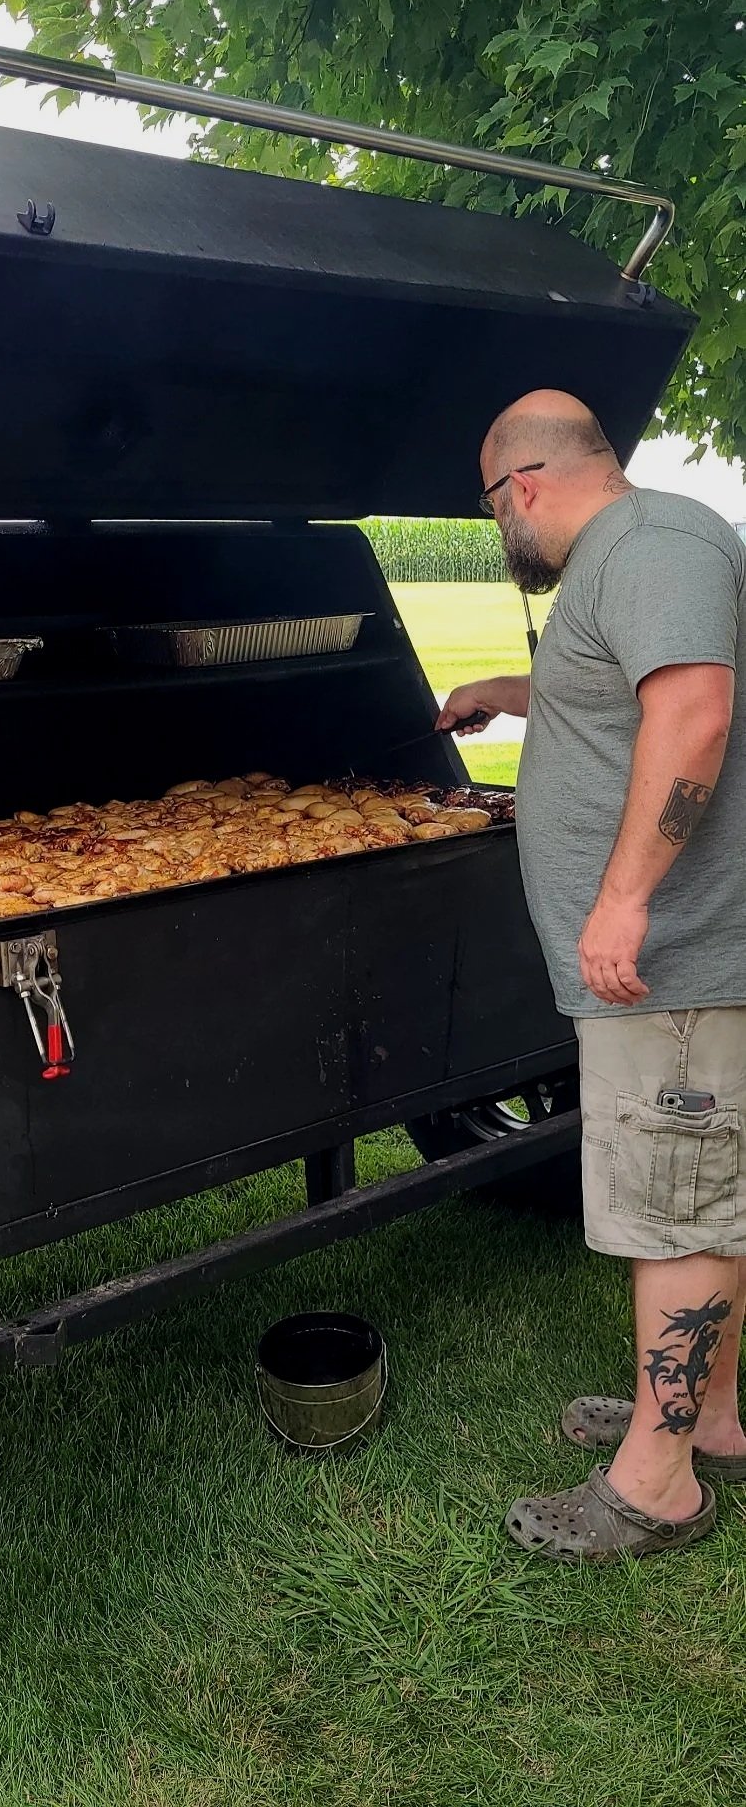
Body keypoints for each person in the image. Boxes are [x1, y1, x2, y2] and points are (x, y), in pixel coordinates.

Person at [437, 387, 746, 1563]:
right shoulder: (641, 550)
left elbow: (694, 712)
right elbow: (630, 691)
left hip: (670, 963)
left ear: (520, 485)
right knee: (693, 1194)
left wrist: (619, 901)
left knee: (677, 1212)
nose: (496, 527)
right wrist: (512, 696)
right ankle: (703, 1416)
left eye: (488, 505)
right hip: (665, 966)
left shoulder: (649, 540)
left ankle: (653, 1485)